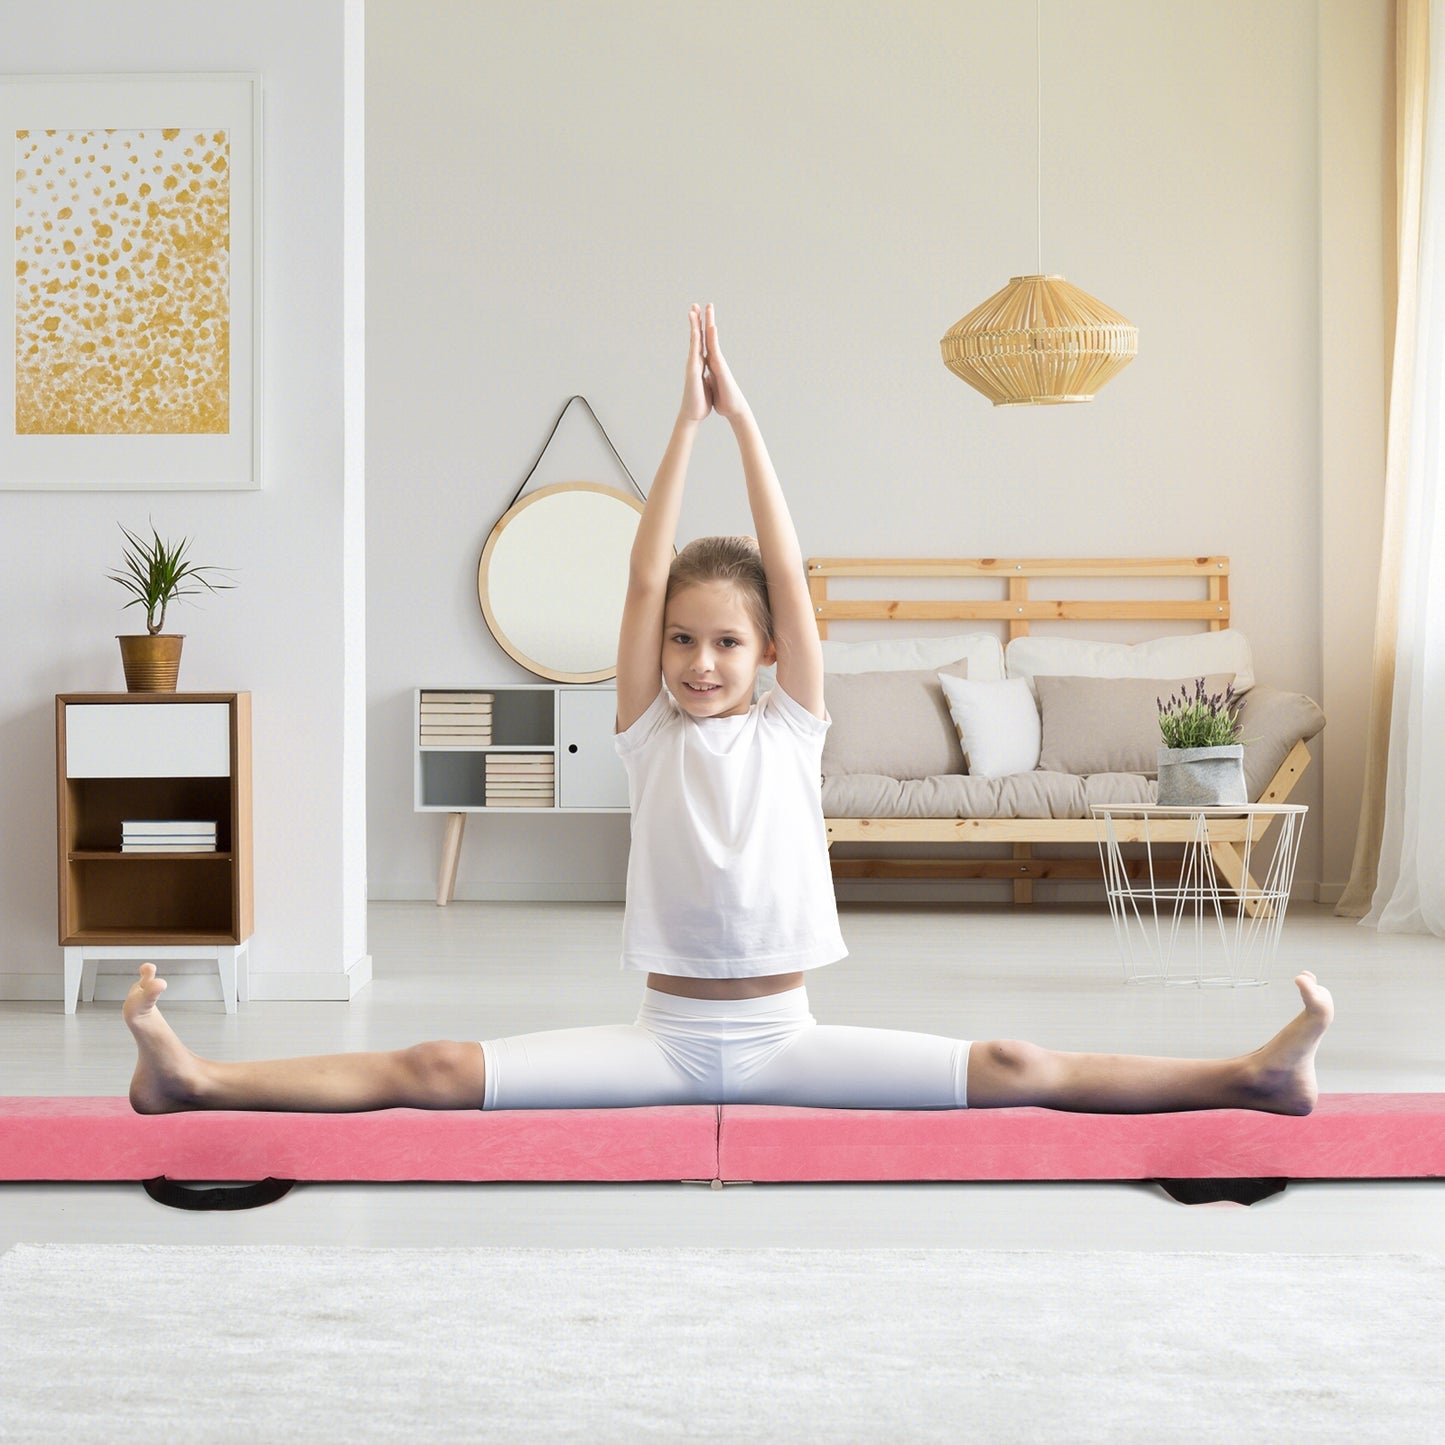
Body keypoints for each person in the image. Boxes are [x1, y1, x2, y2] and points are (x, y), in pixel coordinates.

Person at [123, 303, 1333, 1117]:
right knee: (433, 1062)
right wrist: (679, 428)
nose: (701, 659)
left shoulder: (790, 728)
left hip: (790, 1038)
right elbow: (643, 578)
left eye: (727, 643)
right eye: (683, 643)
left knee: (1016, 1062)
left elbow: (787, 576)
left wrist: (744, 425)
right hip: (654, 1040)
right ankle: (193, 1081)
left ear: (766, 654)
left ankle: (1246, 1075)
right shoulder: (647, 734)